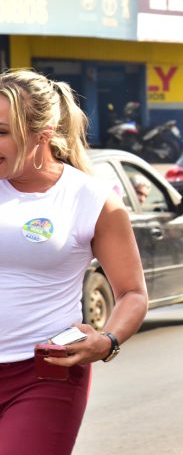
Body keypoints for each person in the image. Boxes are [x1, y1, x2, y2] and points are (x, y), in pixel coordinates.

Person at [0, 69, 148, 455]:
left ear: (43, 134)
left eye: (2, 132)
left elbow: (132, 293)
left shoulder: (91, 198)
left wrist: (108, 340)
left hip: (44, 375)